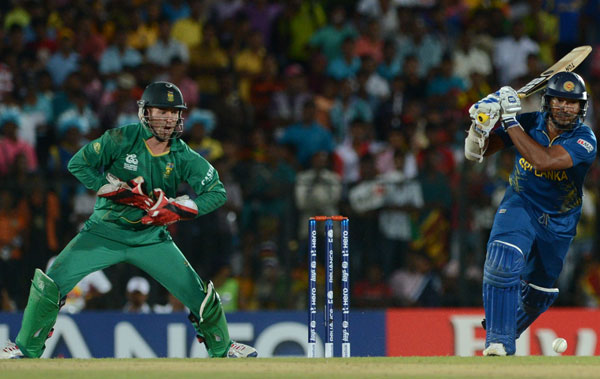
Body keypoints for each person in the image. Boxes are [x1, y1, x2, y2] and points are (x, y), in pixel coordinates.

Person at [0, 81, 257, 359]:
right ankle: (26, 349)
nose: (170, 118)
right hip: (103, 232)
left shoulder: (182, 154)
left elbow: (216, 192)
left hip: (151, 237)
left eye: (175, 112)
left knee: (197, 294)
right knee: (51, 283)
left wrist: (178, 209)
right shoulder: (120, 139)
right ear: (145, 112)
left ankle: (223, 348)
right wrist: (107, 187)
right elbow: (78, 163)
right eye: (163, 111)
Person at [464, 72, 597, 356]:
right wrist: (480, 127)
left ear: (581, 108)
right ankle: (497, 342)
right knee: (503, 258)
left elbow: (544, 160)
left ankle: (505, 331)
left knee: (538, 293)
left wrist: (509, 119)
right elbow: (479, 153)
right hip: (521, 202)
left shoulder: (586, 140)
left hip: (559, 221)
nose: (564, 107)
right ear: (548, 102)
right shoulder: (529, 121)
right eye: (559, 99)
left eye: (572, 102)